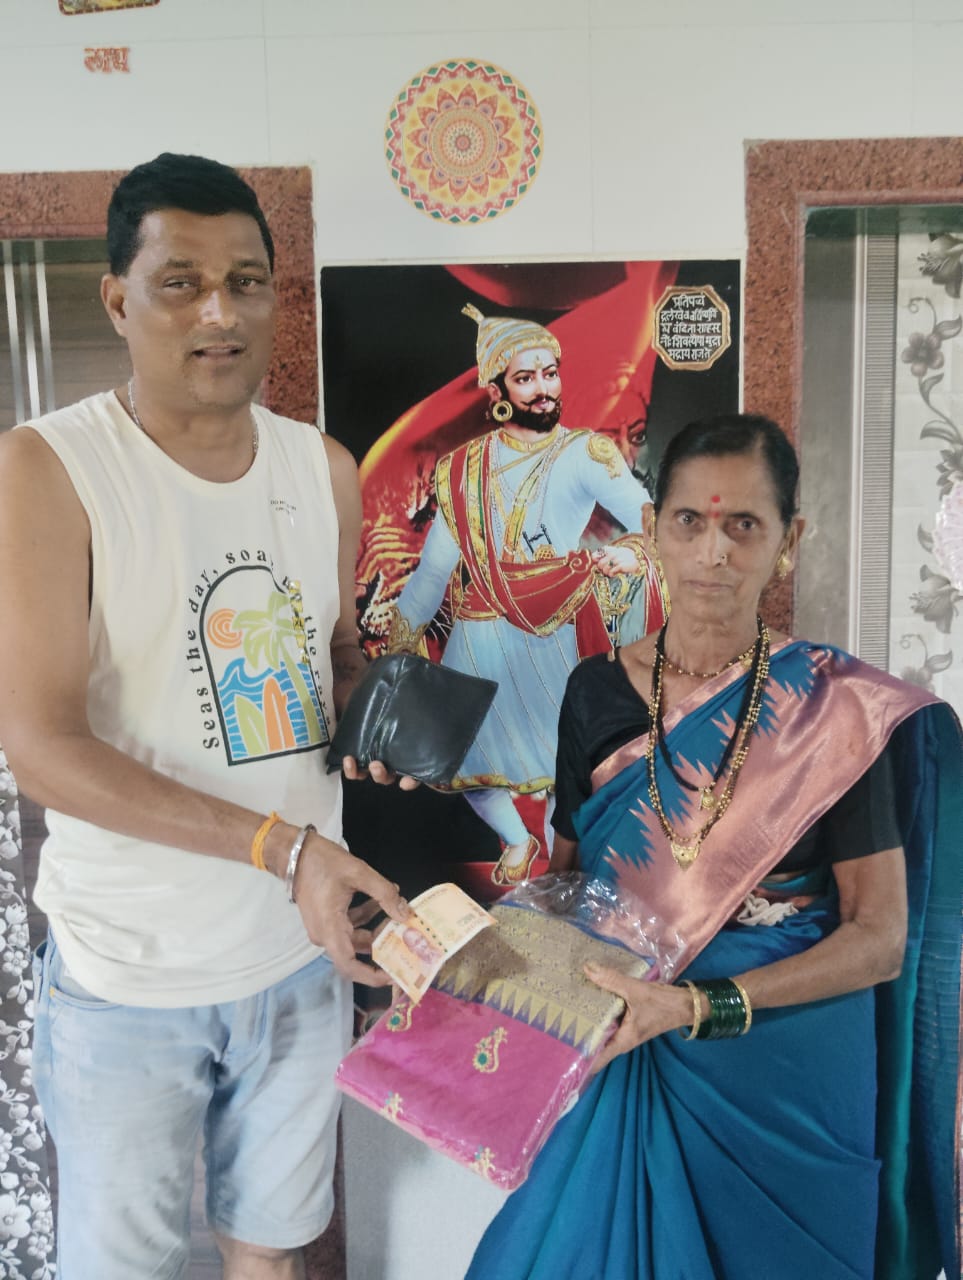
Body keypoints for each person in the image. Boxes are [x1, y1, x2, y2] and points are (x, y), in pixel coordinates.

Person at [0, 153, 412, 1280]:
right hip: (127, 976)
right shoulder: (49, 469)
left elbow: (332, 653)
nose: (220, 312)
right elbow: (41, 746)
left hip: (296, 955)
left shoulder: (321, 468)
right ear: (116, 300)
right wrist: (286, 848)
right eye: (180, 282)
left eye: (247, 281)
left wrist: (380, 715)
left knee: (271, 1254)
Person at [467, 414, 961, 1280]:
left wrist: (697, 1006)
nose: (712, 552)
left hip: (789, 1068)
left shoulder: (835, 712)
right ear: (651, 529)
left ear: (787, 541)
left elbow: (877, 940)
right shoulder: (592, 691)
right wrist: (469, 965)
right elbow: (569, 888)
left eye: (743, 525)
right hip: (629, 1046)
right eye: (689, 521)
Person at [388, 305, 665, 884]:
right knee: (464, 762)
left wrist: (633, 553)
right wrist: (400, 640)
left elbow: (653, 520)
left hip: (553, 629)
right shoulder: (462, 468)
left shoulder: (583, 454)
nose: (543, 389)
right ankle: (516, 840)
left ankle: (559, 871)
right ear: (496, 390)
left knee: (564, 767)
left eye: (550, 373)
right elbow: (435, 569)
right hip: (478, 635)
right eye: (525, 377)